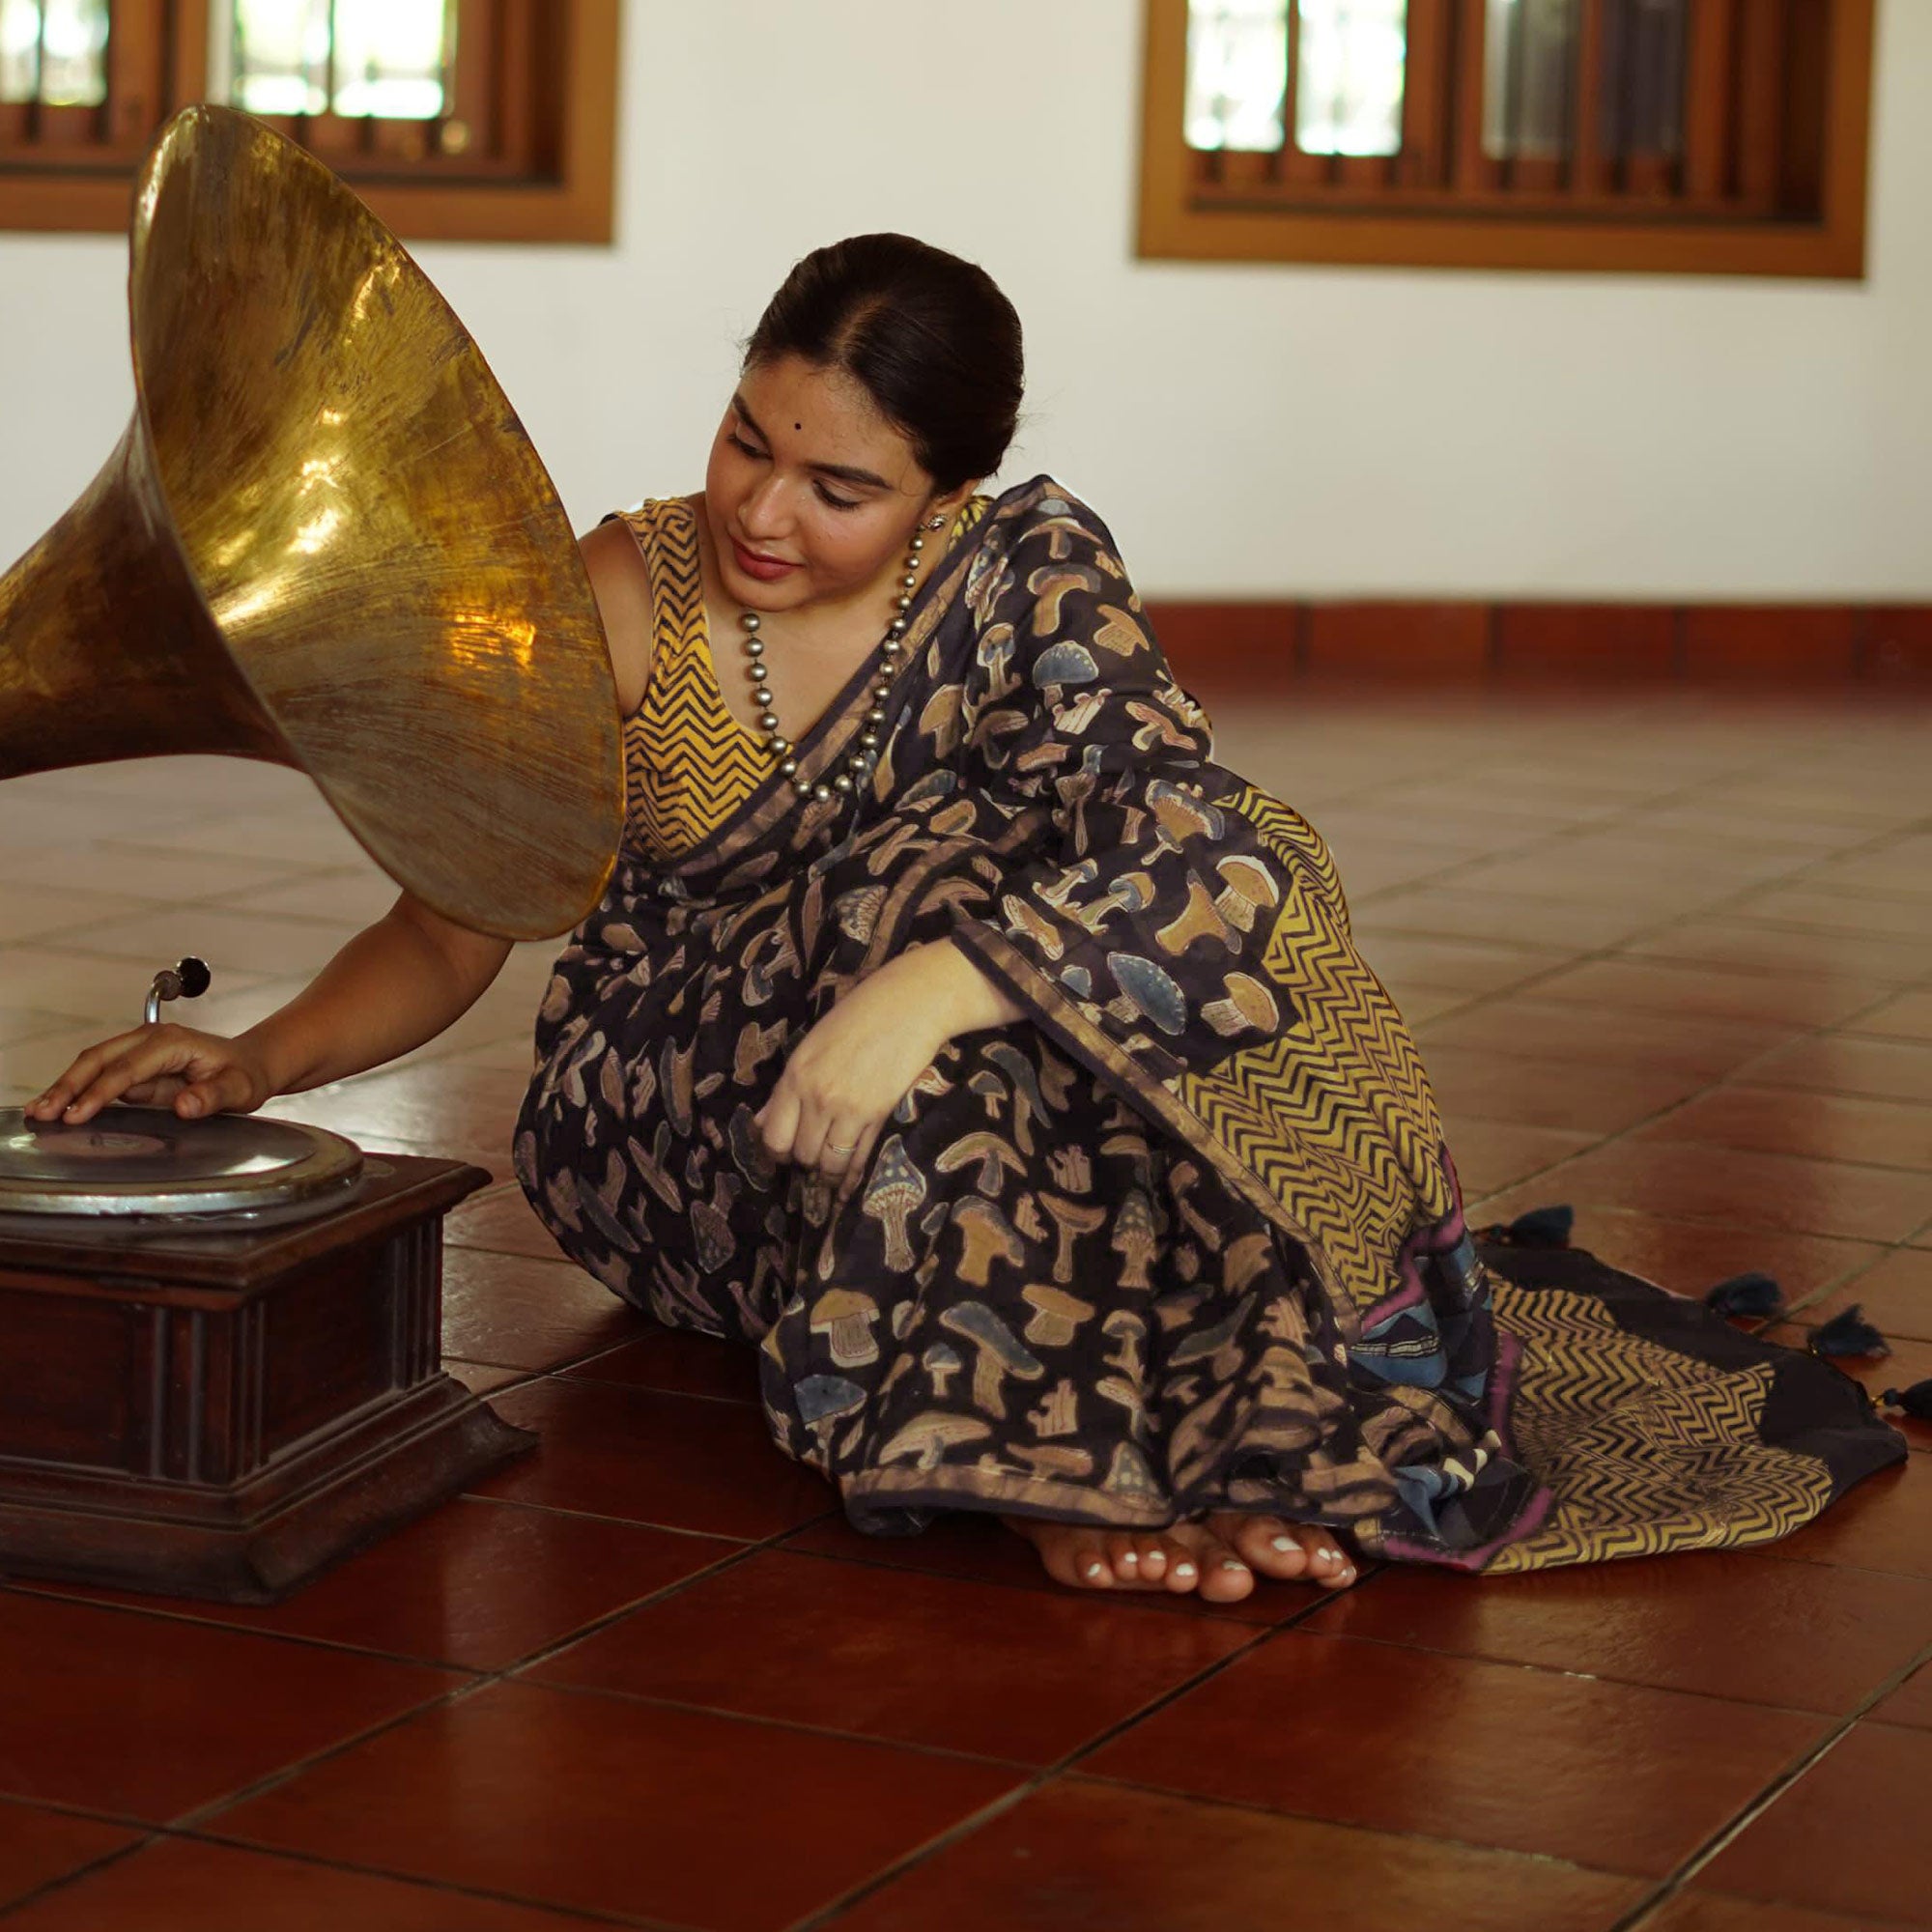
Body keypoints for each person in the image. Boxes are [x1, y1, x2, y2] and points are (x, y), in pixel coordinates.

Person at [30, 234, 1903, 1604]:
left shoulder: (1029, 576)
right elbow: (456, 923)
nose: (762, 509)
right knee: (957, 908)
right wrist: (259, 1051)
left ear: (950, 500)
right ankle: (1036, 1476)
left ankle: (1210, 1451)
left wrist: (937, 983)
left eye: (840, 485)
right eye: (747, 437)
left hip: (933, 1054)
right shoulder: (628, 587)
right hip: (685, 1106)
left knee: (1130, 965)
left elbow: (1206, 856)